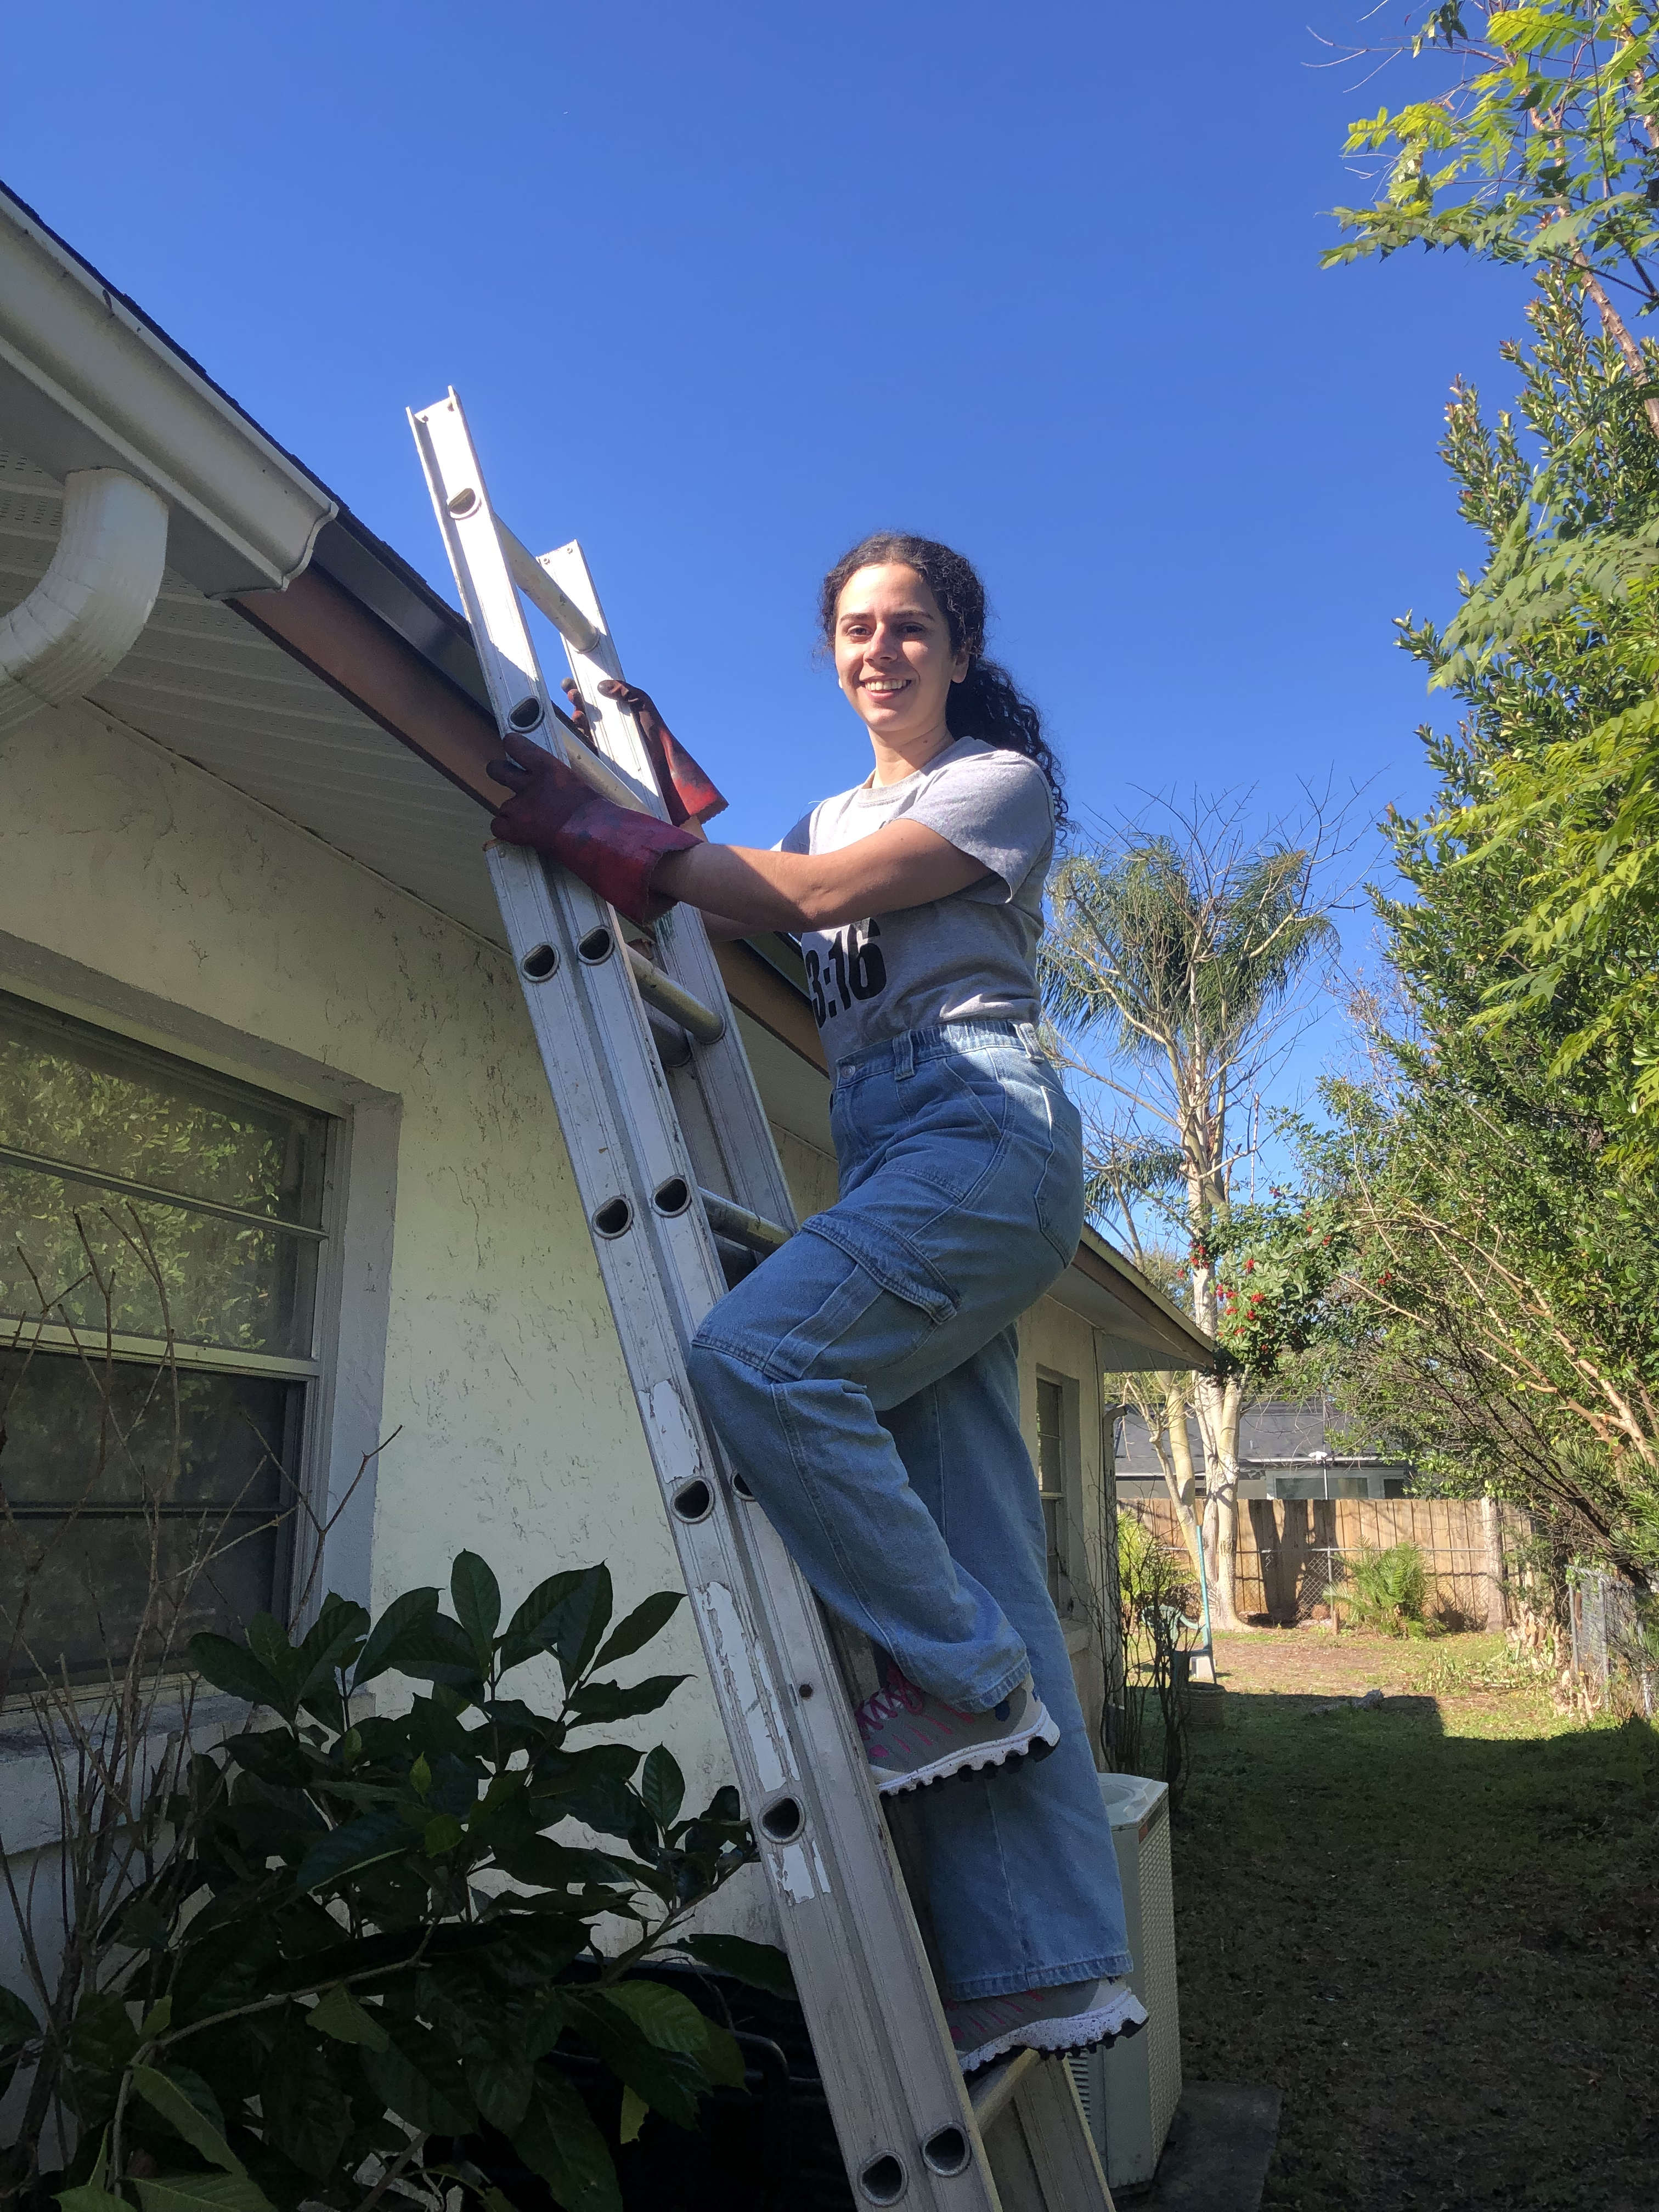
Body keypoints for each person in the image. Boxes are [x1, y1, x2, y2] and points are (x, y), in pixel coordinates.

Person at [487, 532, 1145, 2075]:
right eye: (854, 628)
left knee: (761, 1359)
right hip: (896, 1156)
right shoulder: (824, 810)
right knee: (982, 1542)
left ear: (960, 652)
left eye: (909, 626)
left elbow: (801, 894)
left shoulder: (993, 787)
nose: (878, 649)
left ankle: (956, 1674)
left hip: (981, 1139)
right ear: (830, 653)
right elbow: (752, 889)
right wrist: (655, 796)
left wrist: (609, 832)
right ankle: (1042, 1965)